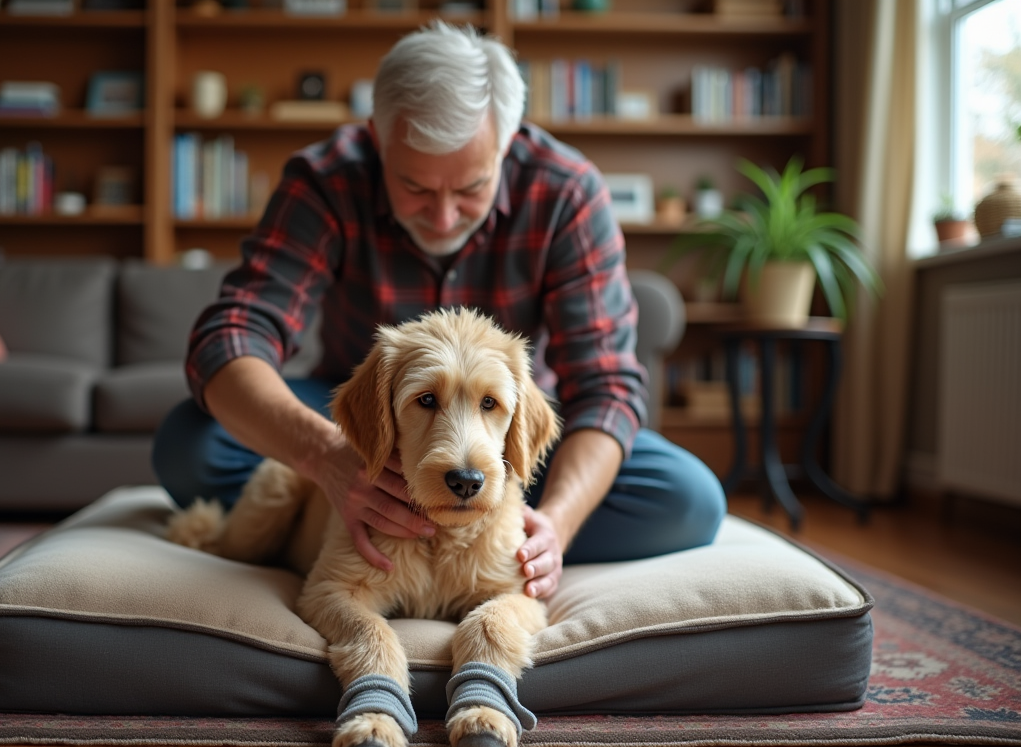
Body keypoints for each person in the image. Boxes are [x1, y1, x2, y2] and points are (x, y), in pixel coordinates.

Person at [154, 22, 726, 600]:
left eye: (471, 187)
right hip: (371, 427)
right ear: (378, 138)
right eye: (417, 188)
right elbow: (230, 338)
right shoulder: (326, 179)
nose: (446, 217)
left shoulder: (568, 192)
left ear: (505, 141)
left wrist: (558, 521)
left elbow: (606, 387)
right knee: (189, 445)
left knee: (687, 499)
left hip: (509, 443)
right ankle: (338, 508)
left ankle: (456, 535)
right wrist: (326, 456)